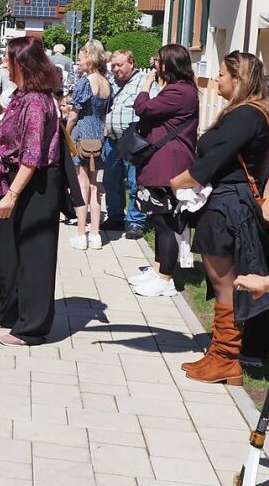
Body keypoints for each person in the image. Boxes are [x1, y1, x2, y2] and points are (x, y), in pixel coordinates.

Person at [171, 52, 269, 384]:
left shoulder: (246, 115)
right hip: (228, 202)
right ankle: (221, 353)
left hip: (229, 205)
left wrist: (178, 181)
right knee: (222, 280)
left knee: (225, 282)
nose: (216, 80)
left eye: (222, 74)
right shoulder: (245, 113)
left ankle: (226, 357)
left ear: (238, 79)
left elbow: (215, 158)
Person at [0, 37, 62, 346]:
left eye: (9, 59)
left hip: (35, 185)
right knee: (9, 253)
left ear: (23, 64)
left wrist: (12, 195)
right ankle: (10, 309)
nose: (5, 64)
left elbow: (31, 156)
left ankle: (32, 327)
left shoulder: (35, 102)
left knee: (34, 256)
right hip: (14, 179)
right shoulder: (20, 95)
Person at [131, 44, 199, 298]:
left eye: (158, 62)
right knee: (159, 218)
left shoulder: (178, 91)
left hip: (168, 163)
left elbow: (143, 108)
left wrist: (146, 85)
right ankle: (159, 268)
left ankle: (165, 278)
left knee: (166, 221)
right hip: (165, 161)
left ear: (168, 65)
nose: (154, 66)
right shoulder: (180, 90)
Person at [68, 41, 111, 250]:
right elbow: (103, 113)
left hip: (82, 135)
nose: (78, 63)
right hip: (98, 138)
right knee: (95, 186)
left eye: (80, 58)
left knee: (82, 185)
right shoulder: (106, 82)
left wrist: (66, 132)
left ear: (90, 57)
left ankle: (81, 234)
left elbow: (75, 114)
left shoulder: (86, 82)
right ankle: (95, 235)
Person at [103, 49, 149, 239]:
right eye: (113, 66)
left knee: (134, 182)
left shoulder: (144, 82)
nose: (116, 69)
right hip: (112, 141)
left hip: (133, 141)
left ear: (132, 63)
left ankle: (135, 222)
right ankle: (115, 216)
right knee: (111, 180)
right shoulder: (111, 83)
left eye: (120, 65)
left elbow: (150, 107)